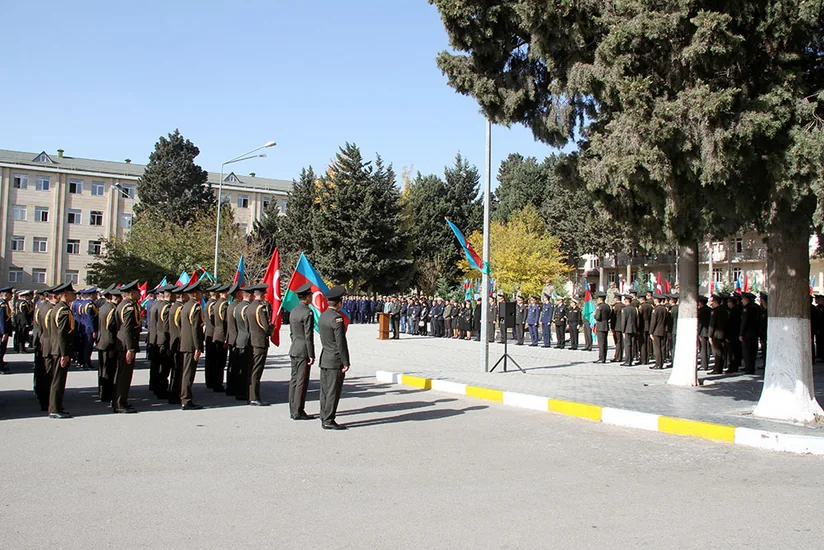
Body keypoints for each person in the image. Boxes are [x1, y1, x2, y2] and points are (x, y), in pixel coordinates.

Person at [318, 285, 350, 430]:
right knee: (333, 391)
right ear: (339, 303)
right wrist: (346, 361)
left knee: (325, 390)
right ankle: (329, 419)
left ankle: (323, 414)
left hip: (325, 356)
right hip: (335, 359)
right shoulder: (337, 318)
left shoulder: (323, 316)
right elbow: (340, 342)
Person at [47, 282, 76, 418]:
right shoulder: (63, 310)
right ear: (65, 294)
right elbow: (62, 334)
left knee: (58, 380)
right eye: (71, 293)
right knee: (58, 381)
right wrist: (64, 353)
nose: (74, 295)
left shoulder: (58, 307)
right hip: (60, 351)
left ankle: (57, 406)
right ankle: (54, 409)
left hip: (57, 349)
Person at [289, 283, 315, 419]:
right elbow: (308, 335)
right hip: (303, 350)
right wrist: (311, 354)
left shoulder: (294, 310)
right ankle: (298, 410)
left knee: (294, 380)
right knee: (301, 381)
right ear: (308, 296)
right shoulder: (307, 312)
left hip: (294, 347)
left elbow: (292, 332)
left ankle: (293, 408)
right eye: (311, 295)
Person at [114, 280, 141, 413]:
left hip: (123, 343)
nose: (139, 294)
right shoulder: (128, 307)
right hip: (126, 345)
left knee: (123, 375)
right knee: (124, 376)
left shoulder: (123, 305)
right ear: (131, 293)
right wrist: (130, 348)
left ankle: (121, 401)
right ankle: (119, 403)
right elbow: (127, 329)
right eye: (137, 292)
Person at [179, 280, 205, 410]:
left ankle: (185, 397)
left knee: (186, 372)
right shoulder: (195, 307)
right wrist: (197, 346)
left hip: (185, 342)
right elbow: (195, 329)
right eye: (200, 292)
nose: (202, 294)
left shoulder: (185, 306)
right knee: (188, 373)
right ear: (194, 294)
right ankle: (186, 399)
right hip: (191, 344)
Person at [247, 284, 272, 406]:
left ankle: (251, 395)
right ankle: (254, 396)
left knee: (253, 368)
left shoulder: (250, 307)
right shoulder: (260, 308)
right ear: (261, 295)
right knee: (257, 370)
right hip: (260, 341)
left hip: (252, 340)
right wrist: (271, 329)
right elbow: (265, 327)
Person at [96, 286, 120, 403]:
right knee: (109, 370)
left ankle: (102, 392)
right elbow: (111, 327)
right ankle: (108, 393)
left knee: (103, 369)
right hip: (109, 343)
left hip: (102, 341)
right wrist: (113, 343)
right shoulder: (112, 309)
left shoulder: (103, 307)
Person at [31, 287, 54, 411]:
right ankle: (46, 400)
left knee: (41, 370)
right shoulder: (49, 308)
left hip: (40, 340)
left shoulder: (40, 306)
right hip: (46, 342)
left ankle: (39, 391)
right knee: (46, 372)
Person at [233, 286, 254, 402]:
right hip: (246, 340)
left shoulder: (238, 306)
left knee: (240, 367)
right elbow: (248, 326)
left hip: (239, 338)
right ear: (249, 295)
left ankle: (239, 390)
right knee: (245, 369)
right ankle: (243, 392)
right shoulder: (246, 308)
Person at [167, 286, 185, 404]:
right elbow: (180, 325)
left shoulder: (174, 307)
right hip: (178, 341)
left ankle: (174, 392)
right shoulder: (179, 308)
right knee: (178, 370)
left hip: (174, 340)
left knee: (176, 369)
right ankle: (175, 393)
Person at [211, 284, 229, 392]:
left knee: (217, 360)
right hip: (222, 334)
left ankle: (215, 382)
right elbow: (225, 321)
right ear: (224, 293)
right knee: (220, 361)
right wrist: (226, 337)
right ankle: (218, 383)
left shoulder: (217, 303)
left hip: (216, 332)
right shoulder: (224, 304)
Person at [740, 293, 760, 374]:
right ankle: (752, 367)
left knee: (747, 352)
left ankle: (748, 368)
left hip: (747, 333)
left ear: (746, 300)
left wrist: (741, 334)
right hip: (755, 332)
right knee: (753, 351)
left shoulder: (747, 309)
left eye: (743, 299)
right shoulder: (756, 307)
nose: (742, 301)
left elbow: (744, 322)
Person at [649, 294, 667, 369]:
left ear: (656, 300)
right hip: (663, 330)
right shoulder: (664, 309)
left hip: (656, 331)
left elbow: (653, 322)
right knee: (662, 347)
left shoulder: (656, 309)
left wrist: (651, 332)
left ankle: (658, 363)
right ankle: (661, 363)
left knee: (657, 348)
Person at [621, 294, 638, 367]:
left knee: (627, 345)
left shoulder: (624, 309)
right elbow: (637, 319)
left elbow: (623, 321)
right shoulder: (634, 309)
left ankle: (627, 361)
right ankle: (631, 360)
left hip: (627, 330)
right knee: (632, 345)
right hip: (634, 329)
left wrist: (623, 331)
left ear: (626, 300)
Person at [593, 292, 611, 363]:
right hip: (605, 325)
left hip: (600, 326)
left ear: (600, 299)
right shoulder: (607, 306)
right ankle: (604, 357)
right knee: (605, 342)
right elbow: (609, 316)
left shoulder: (600, 307)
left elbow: (598, 317)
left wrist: (594, 315)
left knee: (601, 343)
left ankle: (601, 358)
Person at [0, 286, 13, 373]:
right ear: (5, 294)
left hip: (3, 330)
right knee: (1, 349)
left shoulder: (4, 303)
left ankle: (1, 362)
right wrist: (4, 332)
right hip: (1, 331)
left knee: (2, 349)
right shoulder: (2, 304)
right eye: (10, 294)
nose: (11, 296)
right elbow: (1, 319)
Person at [697, 295, 711, 371]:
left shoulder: (701, 311)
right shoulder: (710, 309)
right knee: (707, 348)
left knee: (703, 349)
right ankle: (706, 363)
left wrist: (698, 333)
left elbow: (700, 323)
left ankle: (703, 364)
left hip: (703, 331)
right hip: (708, 331)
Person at [638, 294, 653, 365]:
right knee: (647, 343)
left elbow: (639, 317)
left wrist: (638, 327)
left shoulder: (641, 306)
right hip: (649, 325)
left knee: (642, 343)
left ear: (641, 299)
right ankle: (647, 359)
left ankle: (643, 359)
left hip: (642, 326)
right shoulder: (650, 306)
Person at [610, 294, 624, 363]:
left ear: (616, 299)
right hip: (623, 327)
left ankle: (617, 357)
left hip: (617, 327)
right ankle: (620, 356)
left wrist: (612, 327)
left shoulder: (615, 307)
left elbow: (613, 318)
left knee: (618, 342)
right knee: (621, 342)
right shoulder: (624, 306)